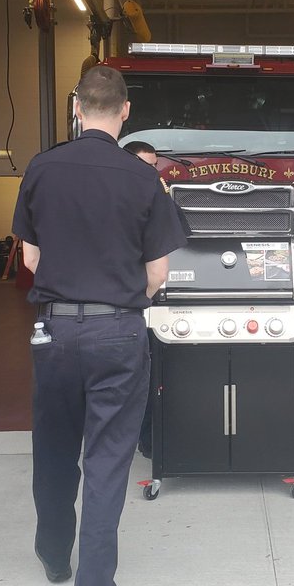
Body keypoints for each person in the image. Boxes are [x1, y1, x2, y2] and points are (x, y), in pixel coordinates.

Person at [14, 65, 185, 586]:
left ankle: (54, 553)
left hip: (54, 330)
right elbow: (158, 272)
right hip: (118, 330)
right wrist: (120, 293)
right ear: (126, 111)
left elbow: (31, 258)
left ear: (76, 107)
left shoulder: (41, 167)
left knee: (54, 444)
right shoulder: (143, 180)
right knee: (109, 463)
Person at [123, 138, 189, 459]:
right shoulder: (117, 197)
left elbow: (183, 231)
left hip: (150, 298)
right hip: (124, 301)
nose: (151, 172)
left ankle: (148, 438)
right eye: (143, 166)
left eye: (154, 166)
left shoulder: (160, 196)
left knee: (154, 372)